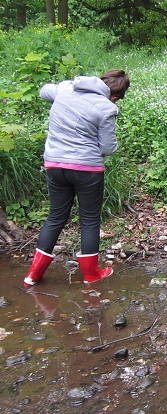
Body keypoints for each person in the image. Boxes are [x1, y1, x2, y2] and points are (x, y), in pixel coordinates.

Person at [23, 70, 130, 287]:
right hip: (87, 170)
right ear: (115, 95)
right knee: (89, 220)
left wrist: (65, 92)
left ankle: (33, 275)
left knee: (55, 217)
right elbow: (108, 148)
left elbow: (44, 91)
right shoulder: (107, 108)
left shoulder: (65, 89)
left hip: (54, 165)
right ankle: (91, 275)